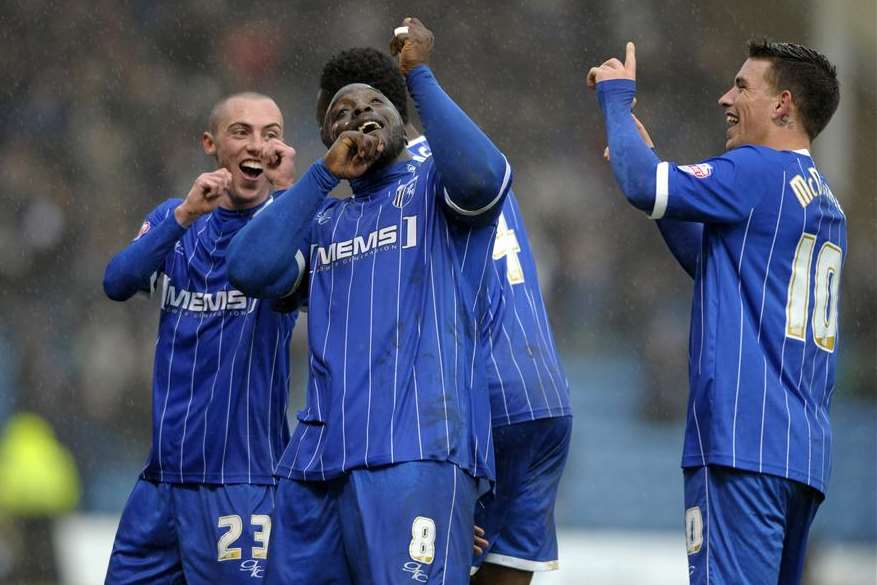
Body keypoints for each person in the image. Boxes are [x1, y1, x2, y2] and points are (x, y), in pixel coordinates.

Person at [227, 18, 510, 585]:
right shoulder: (323, 219)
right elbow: (248, 269)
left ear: (404, 119)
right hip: (315, 465)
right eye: (339, 114)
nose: (355, 114)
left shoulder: (437, 187)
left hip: (416, 449)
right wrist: (317, 178)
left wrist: (418, 77)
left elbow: (484, 177)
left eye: (374, 102)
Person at [589, 40, 844, 584]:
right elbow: (716, 263)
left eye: (743, 87)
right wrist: (656, 172)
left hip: (741, 444)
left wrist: (615, 99)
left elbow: (639, 183)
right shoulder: (823, 201)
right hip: (799, 454)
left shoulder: (757, 170)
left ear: (783, 105)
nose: (725, 98)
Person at [315, 47, 572, 585]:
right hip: (544, 390)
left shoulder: (409, 178)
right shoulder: (463, 147)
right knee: (509, 560)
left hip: (470, 396)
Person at [102, 92, 298, 584]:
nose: (257, 144)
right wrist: (185, 215)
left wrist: (291, 196)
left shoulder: (288, 228)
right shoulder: (177, 218)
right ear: (211, 144)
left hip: (242, 483)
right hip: (160, 483)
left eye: (270, 134)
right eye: (242, 131)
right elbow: (117, 282)